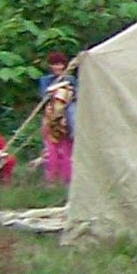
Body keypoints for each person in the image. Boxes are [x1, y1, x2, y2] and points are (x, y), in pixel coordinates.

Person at [38, 51, 76, 185]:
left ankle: (67, 180)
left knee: (66, 152)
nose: (58, 67)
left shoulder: (70, 79)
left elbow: (73, 94)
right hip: (51, 117)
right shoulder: (45, 80)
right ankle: (51, 180)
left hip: (65, 116)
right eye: (55, 65)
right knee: (51, 151)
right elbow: (44, 95)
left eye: (60, 64)